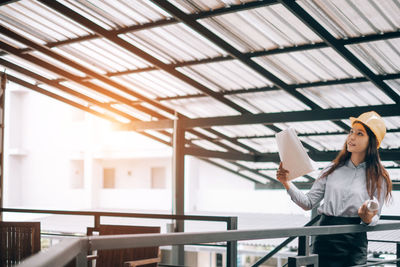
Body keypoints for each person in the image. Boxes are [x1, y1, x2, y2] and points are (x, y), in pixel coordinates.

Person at [276, 111, 392, 267]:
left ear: (372, 141)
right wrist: (286, 182)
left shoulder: (379, 177)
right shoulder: (331, 169)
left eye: (359, 133)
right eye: (351, 132)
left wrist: (367, 218)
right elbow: (308, 203)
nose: (351, 137)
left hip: (355, 239)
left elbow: (376, 217)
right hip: (325, 237)